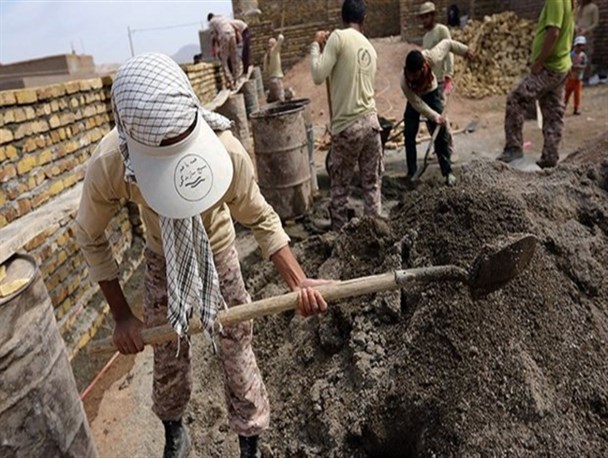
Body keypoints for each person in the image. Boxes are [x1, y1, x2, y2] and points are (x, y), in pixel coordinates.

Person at [75, 53, 329, 458]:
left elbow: (261, 217)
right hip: (162, 256)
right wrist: (122, 314)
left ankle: (250, 439)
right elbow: (88, 234)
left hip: (219, 249)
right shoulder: (111, 164)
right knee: (167, 348)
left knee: (235, 341)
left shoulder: (224, 150)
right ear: (130, 140)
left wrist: (298, 281)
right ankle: (175, 430)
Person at [310, 0, 383, 230]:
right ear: (364, 19)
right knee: (372, 185)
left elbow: (318, 75)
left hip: (348, 126)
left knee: (340, 188)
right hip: (372, 124)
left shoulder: (338, 38)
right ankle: (375, 233)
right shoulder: (371, 49)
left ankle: (339, 237)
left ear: (343, 17)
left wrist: (315, 46)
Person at [497, 0, 574, 169]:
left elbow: (553, 32)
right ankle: (550, 158)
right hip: (561, 65)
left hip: (549, 67)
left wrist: (540, 62)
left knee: (516, 99)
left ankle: (513, 148)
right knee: (553, 112)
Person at [400, 39, 474, 186]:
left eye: (415, 74)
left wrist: (465, 51)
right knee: (409, 133)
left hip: (430, 92)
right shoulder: (404, 82)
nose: (412, 77)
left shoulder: (431, 57)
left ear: (423, 68)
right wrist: (434, 115)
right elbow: (417, 104)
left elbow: (447, 44)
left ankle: (448, 173)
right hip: (415, 98)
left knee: (440, 133)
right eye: (410, 74)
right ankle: (412, 173)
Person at [418, 1, 457, 164]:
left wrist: (449, 74)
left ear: (433, 16)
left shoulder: (442, 30)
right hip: (429, 83)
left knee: (441, 117)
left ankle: (450, 150)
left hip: (441, 80)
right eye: (423, 17)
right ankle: (439, 148)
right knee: (430, 117)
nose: (425, 20)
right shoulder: (426, 37)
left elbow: (450, 51)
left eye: (428, 16)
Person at [208, 13, 239, 89]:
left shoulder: (212, 22)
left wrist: (214, 49)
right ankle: (236, 80)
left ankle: (230, 82)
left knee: (223, 60)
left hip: (224, 35)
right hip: (232, 34)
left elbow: (214, 36)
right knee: (234, 58)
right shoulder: (222, 17)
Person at [575, 0, 599, 80]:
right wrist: (576, 28)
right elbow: (575, 21)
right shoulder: (578, 8)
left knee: (587, 55)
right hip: (578, 35)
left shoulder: (593, 7)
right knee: (577, 55)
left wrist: (586, 30)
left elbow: (595, 23)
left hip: (587, 36)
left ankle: (586, 76)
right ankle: (577, 76)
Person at [565, 36, 588, 115]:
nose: (579, 48)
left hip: (578, 78)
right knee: (567, 93)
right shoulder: (570, 55)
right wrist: (573, 67)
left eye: (581, 45)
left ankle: (576, 108)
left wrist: (579, 67)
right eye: (578, 45)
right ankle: (563, 107)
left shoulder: (583, 56)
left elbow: (584, 65)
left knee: (577, 94)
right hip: (570, 78)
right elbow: (567, 65)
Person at [264, 34, 285, 103]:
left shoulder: (266, 56)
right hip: (277, 79)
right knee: (281, 100)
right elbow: (281, 40)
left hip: (270, 80)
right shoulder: (274, 52)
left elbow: (265, 71)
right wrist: (280, 36)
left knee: (274, 101)